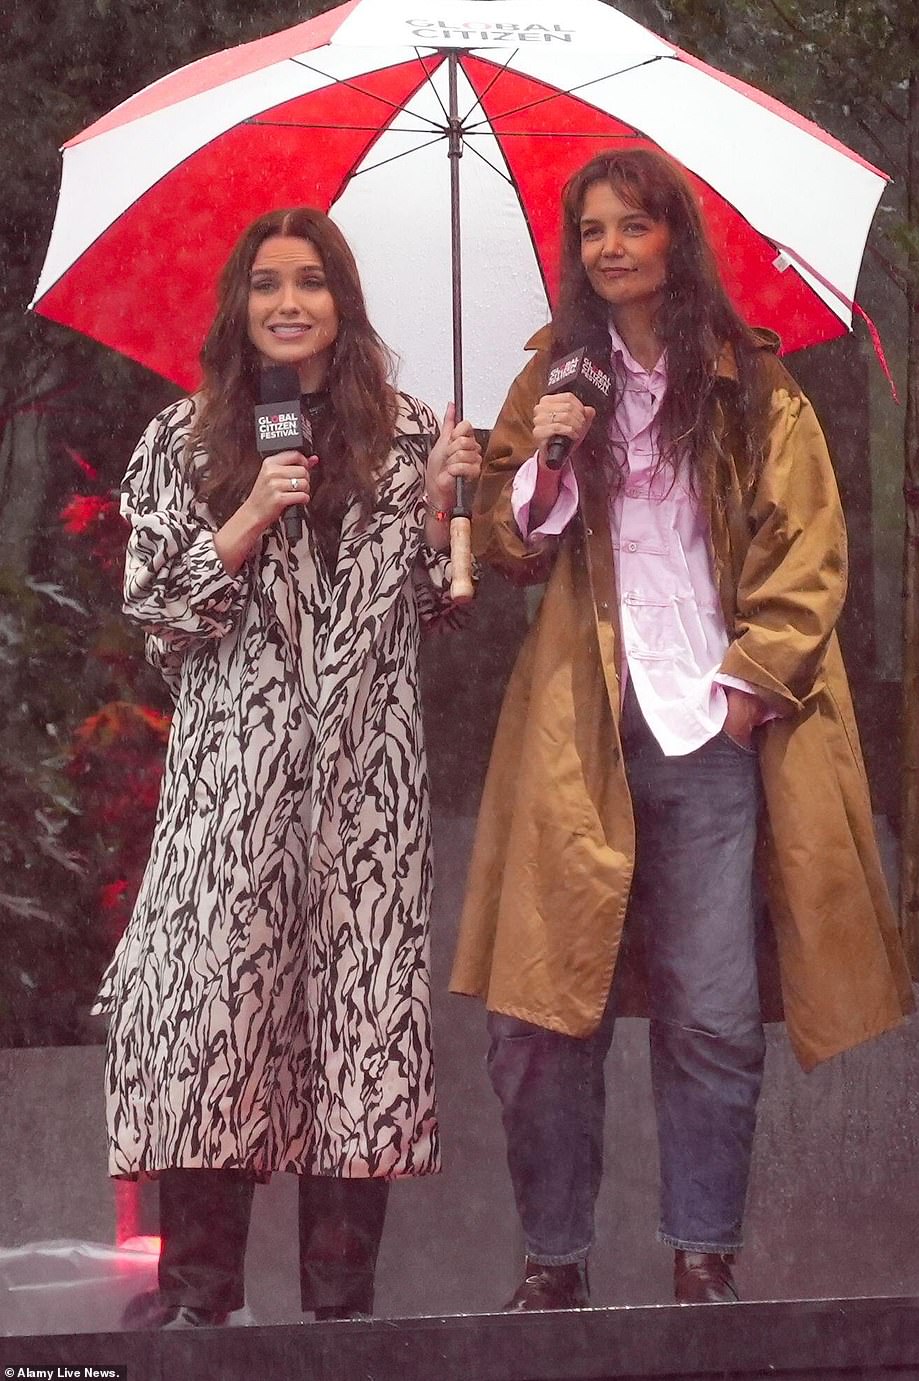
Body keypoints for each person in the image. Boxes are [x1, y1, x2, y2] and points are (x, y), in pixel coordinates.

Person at [450, 149, 913, 1310]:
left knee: (709, 1009)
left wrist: (749, 683)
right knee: (542, 1014)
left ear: (673, 240)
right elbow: (511, 550)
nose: (609, 247)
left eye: (632, 226)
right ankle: (552, 1263)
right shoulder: (550, 380)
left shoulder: (746, 383)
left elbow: (808, 550)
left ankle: (701, 1253)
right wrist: (537, 456)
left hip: (708, 730)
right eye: (591, 230)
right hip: (578, 734)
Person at [94, 206, 481, 1329]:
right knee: (215, 1021)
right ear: (240, 305)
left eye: (310, 282)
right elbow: (157, 608)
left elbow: (434, 609)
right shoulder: (183, 439)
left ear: (341, 304)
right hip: (233, 786)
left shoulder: (407, 434)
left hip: (365, 783)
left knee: (358, 1037)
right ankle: (197, 1306)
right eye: (266, 283)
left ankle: (340, 1323)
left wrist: (448, 509)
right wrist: (253, 511)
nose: (288, 303)